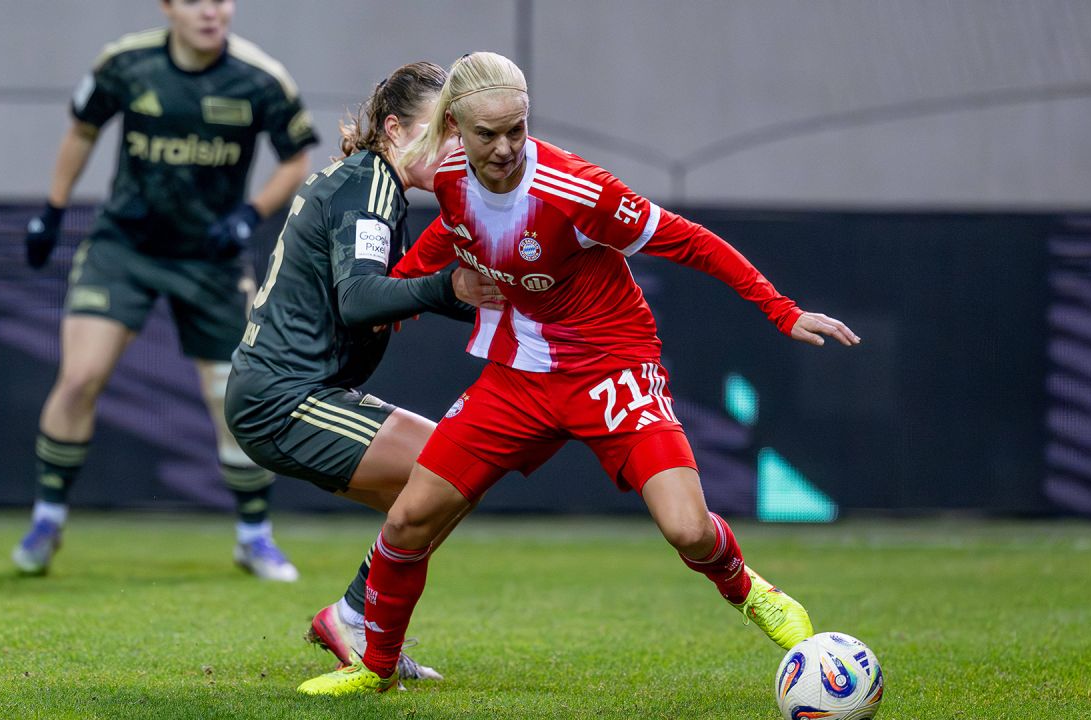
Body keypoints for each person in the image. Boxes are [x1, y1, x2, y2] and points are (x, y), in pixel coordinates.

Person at [296, 51, 862, 696]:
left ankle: (750, 591)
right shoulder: (449, 175)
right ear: (455, 126)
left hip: (612, 369)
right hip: (519, 379)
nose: (507, 146)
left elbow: (691, 241)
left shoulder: (577, 190)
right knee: (407, 520)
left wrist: (781, 311)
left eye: (518, 127)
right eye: (488, 134)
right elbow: (450, 235)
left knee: (687, 529)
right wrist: (397, 296)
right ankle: (374, 668)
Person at [12, 0, 316, 581]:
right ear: (169, 7)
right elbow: (82, 129)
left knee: (233, 397)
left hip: (210, 257)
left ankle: (255, 537)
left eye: (222, 0)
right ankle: (47, 520)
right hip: (124, 247)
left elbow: (295, 159)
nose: (212, 12)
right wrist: (51, 213)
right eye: (196, 1)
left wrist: (251, 215)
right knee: (79, 377)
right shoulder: (126, 63)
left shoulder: (261, 77)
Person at [224, 61, 501, 682]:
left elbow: (390, 293)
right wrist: (450, 286)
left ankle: (360, 622)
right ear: (394, 128)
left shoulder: (371, 184)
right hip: (282, 397)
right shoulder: (370, 185)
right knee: (449, 467)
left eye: (458, 134)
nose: (454, 149)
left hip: (292, 392)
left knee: (438, 497)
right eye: (442, 132)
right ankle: (354, 617)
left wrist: (495, 298)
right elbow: (361, 298)